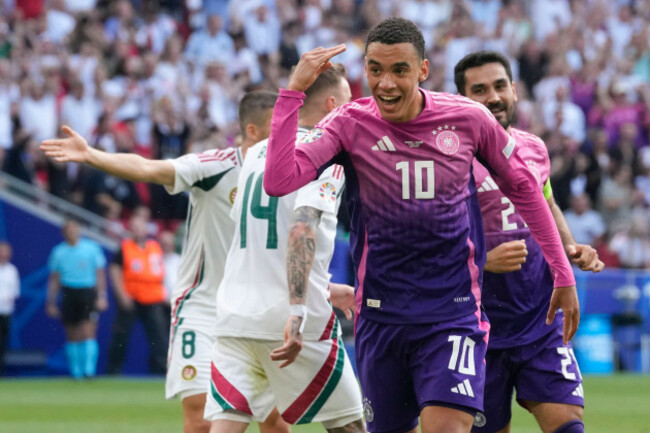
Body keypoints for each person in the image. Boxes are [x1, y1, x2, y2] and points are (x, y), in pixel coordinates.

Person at [263, 17, 578, 433]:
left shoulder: (467, 119)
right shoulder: (348, 123)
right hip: (379, 318)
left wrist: (563, 273)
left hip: (453, 314)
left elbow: (524, 189)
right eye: (375, 69)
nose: (386, 83)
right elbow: (279, 179)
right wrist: (293, 94)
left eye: (399, 70)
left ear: (423, 71)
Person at [40, 91, 289, 433]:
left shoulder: (292, 172)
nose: (290, 134)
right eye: (281, 126)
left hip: (255, 311)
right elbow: (148, 168)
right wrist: (91, 156)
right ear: (254, 131)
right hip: (203, 309)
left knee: (275, 422)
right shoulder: (214, 166)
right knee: (200, 418)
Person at [207, 65, 365, 433]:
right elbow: (300, 228)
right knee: (350, 426)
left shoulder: (257, 152)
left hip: (234, 317)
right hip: (293, 321)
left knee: (227, 426)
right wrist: (298, 308)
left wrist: (325, 287)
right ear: (332, 105)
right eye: (348, 103)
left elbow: (264, 242)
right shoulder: (326, 153)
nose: (355, 110)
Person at [454, 50, 605, 433]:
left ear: (515, 90)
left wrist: (569, 247)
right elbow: (428, 233)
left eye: (500, 85)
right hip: (478, 326)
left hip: (541, 316)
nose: (493, 96)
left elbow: (547, 204)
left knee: (568, 424)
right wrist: (482, 260)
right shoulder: (450, 158)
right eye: (479, 90)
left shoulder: (533, 147)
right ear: (462, 100)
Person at [107, 213, 169, 375]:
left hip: (153, 297)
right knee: (121, 335)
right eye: (134, 227)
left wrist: (164, 292)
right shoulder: (125, 247)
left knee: (159, 337)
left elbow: (161, 271)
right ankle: (113, 371)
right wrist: (121, 295)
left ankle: (160, 370)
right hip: (131, 296)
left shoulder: (154, 246)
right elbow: (115, 269)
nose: (137, 230)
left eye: (140, 227)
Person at [46, 219, 107, 379]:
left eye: (74, 229)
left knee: (88, 330)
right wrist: (51, 302)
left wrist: (101, 296)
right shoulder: (58, 252)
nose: (71, 232)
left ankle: (89, 370)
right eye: (68, 230)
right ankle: (76, 371)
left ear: (79, 230)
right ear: (64, 233)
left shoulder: (91, 248)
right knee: (71, 332)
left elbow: (100, 274)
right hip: (69, 292)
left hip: (87, 291)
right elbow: (54, 279)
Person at [0, 241, 20, 375]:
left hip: (5, 311)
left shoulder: (12, 270)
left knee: (2, 341)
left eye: (5, 251)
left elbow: (15, 292)